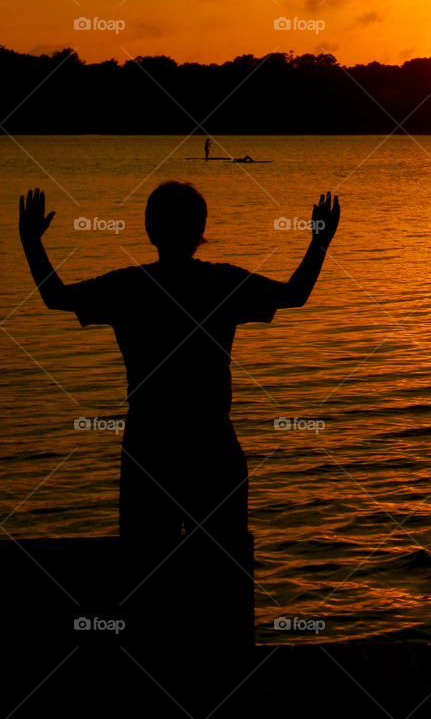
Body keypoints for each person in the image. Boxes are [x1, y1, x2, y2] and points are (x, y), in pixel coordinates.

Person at [18, 182, 340, 648]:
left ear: (150, 230)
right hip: (212, 445)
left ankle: (160, 665)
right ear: (200, 232)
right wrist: (319, 241)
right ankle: (222, 668)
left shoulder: (130, 286)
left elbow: (57, 296)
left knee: (148, 575)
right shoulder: (220, 282)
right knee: (223, 573)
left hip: (149, 447)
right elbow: (295, 294)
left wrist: (31, 242)